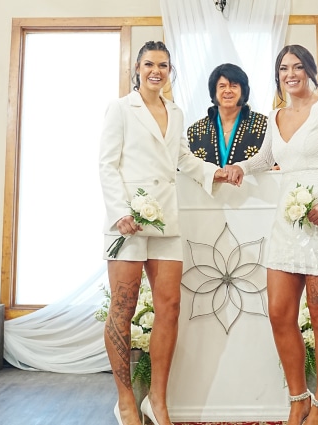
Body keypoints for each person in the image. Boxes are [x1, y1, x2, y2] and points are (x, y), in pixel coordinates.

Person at [223, 45, 318, 425]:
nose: (291, 74)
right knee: (279, 313)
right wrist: (239, 167)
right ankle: (297, 398)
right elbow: (267, 159)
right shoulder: (276, 115)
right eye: (284, 68)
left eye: (298, 67)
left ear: (310, 70)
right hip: (287, 219)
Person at [99, 41, 225, 425]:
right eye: (150, 64)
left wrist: (214, 171)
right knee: (122, 309)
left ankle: (157, 399)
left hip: (167, 221)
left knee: (169, 308)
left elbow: (182, 157)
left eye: (164, 65)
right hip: (130, 222)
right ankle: (125, 401)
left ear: (171, 71)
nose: (157, 70)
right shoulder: (120, 109)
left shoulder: (176, 111)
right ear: (136, 68)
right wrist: (120, 212)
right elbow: (106, 165)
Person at [187, 63, 268, 167]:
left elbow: (276, 164)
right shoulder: (196, 131)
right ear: (214, 91)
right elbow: (185, 169)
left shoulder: (264, 125)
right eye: (222, 86)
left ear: (243, 91)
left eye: (234, 86)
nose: (228, 90)